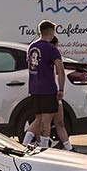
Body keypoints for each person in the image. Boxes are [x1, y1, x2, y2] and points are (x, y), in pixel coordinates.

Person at [21, 20, 67, 149]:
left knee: (38, 119)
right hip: (47, 88)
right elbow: (60, 69)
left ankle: (24, 143)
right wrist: (61, 88)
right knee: (46, 121)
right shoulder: (51, 48)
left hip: (34, 88)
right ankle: (45, 148)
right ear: (51, 32)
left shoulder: (31, 47)